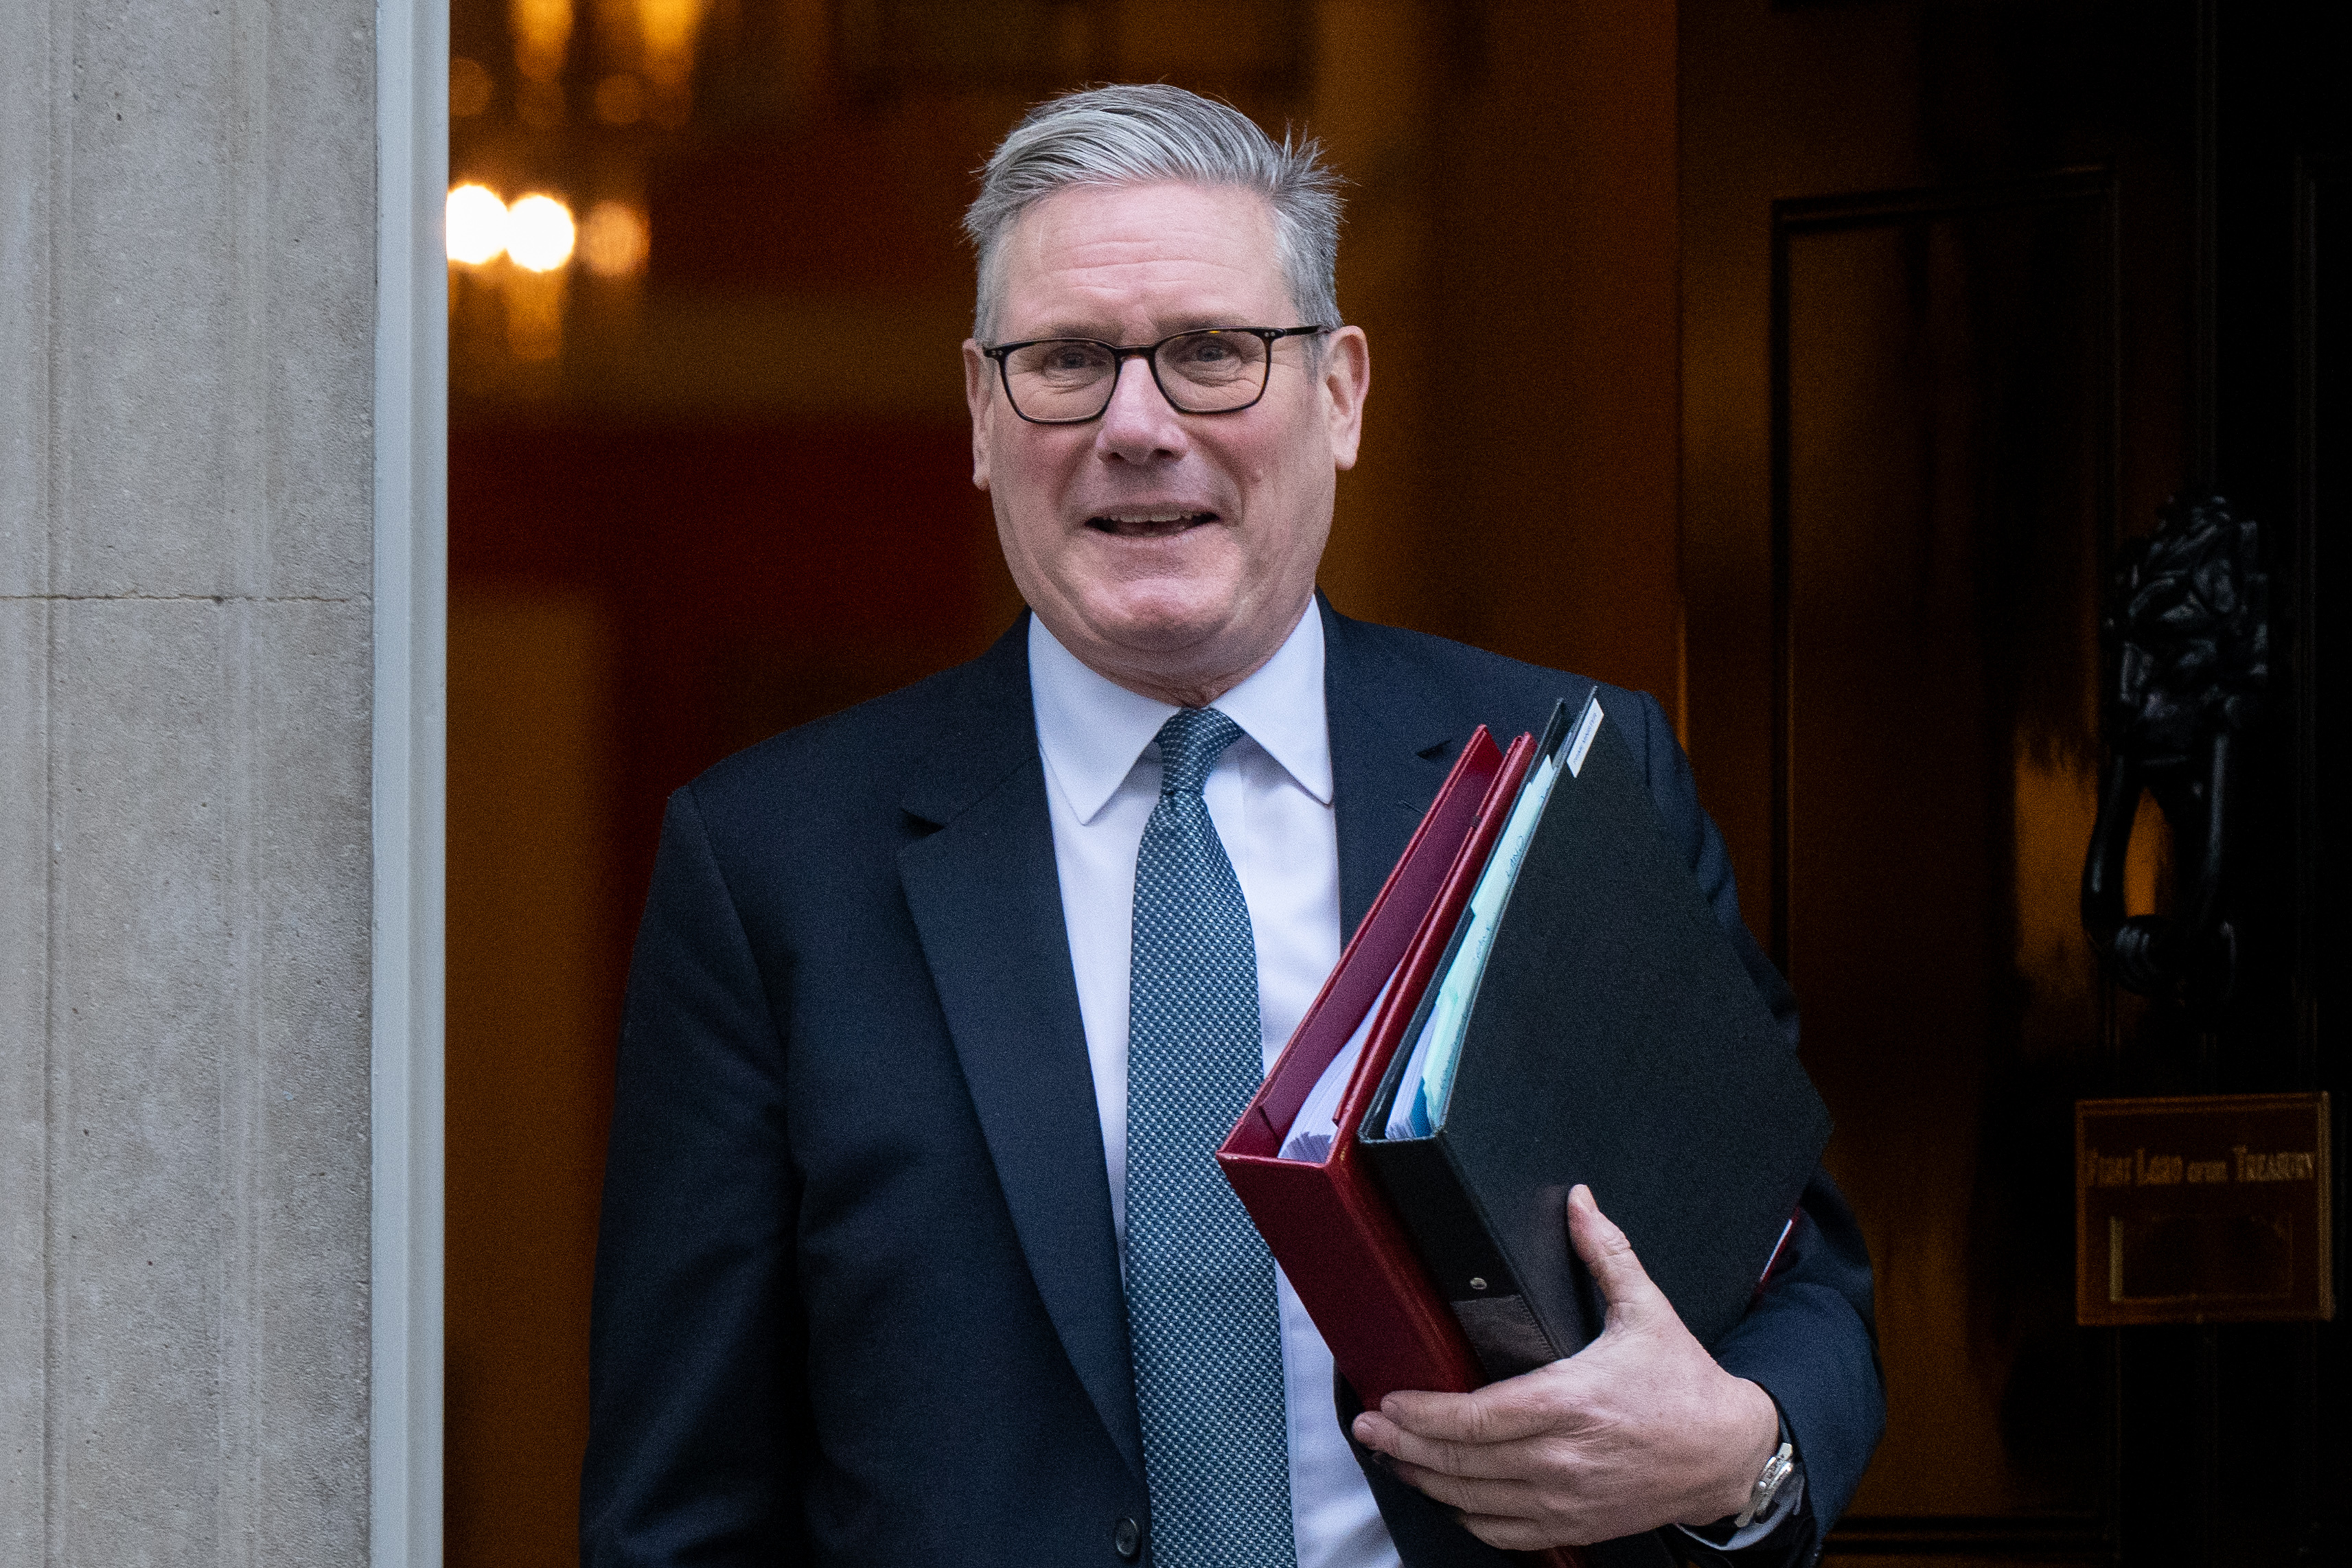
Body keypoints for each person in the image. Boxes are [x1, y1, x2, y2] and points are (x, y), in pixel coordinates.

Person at [581, 83, 1883, 1568]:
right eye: (1066, 361)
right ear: (980, 413)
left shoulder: (1565, 776)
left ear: (1339, 393)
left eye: (1211, 352)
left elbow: (1804, 1287)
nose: (1139, 427)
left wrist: (1738, 1447)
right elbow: (680, 1506)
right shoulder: (773, 868)